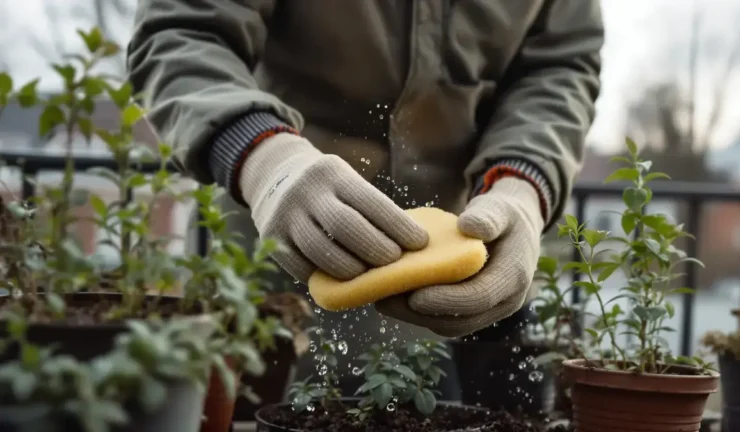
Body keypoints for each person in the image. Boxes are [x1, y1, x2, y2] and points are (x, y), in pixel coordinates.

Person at [127, 0, 603, 395]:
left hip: (463, 258)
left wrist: (522, 185)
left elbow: (557, 67)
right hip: (274, 235)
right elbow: (182, 30)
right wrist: (263, 157)